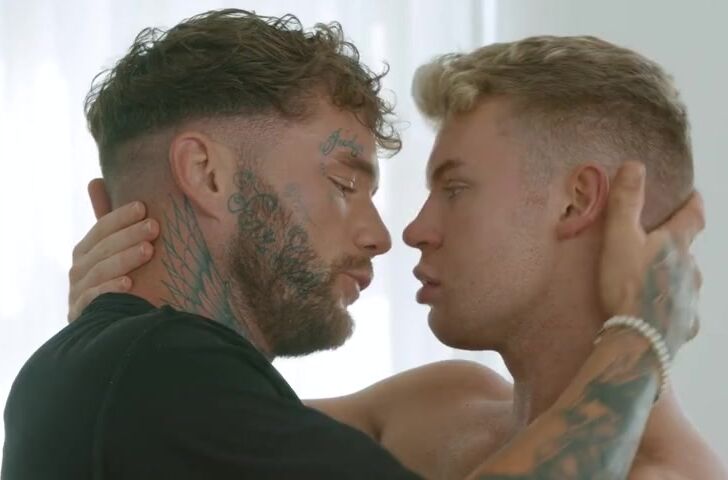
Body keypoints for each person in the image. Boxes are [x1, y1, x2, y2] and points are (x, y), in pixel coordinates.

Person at [2, 10, 706, 480]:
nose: (403, 232)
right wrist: (641, 335)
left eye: (456, 188)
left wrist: (108, 338)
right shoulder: (435, 408)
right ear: (207, 174)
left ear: (576, 202)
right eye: (344, 181)